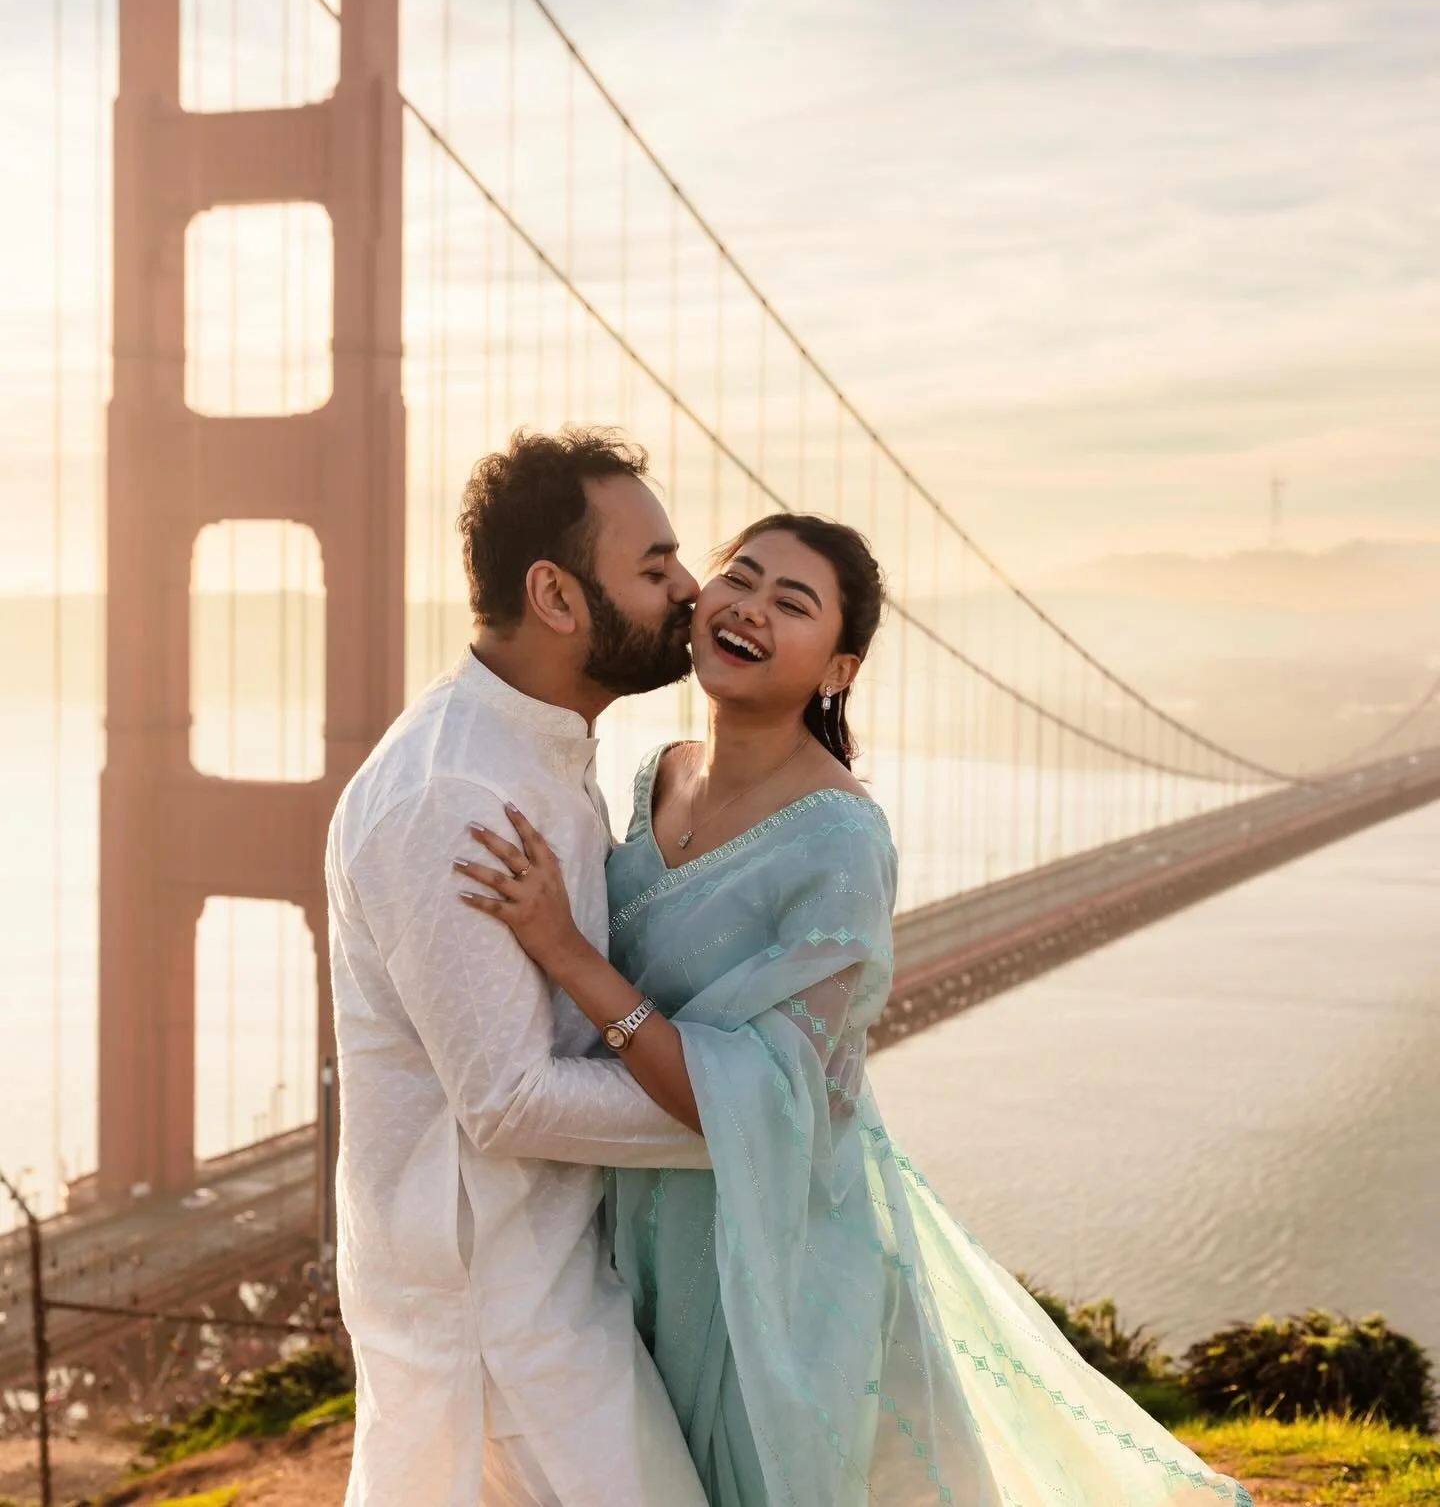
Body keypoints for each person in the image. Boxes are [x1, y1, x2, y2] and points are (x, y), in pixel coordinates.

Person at [455, 511, 1255, 1507]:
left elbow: (768, 1096)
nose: (748, 604)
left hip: (773, 1245)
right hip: (636, 1216)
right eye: (738, 576)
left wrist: (570, 956)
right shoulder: (652, 772)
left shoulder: (840, 840)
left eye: (791, 602)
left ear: (836, 669)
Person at [325, 429, 714, 1507]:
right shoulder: (453, 796)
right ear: (554, 594)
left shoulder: (539, 753)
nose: (691, 587)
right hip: (486, 1319)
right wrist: (743, 1109)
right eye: (653, 567)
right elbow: (506, 1098)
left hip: (536, 1283)